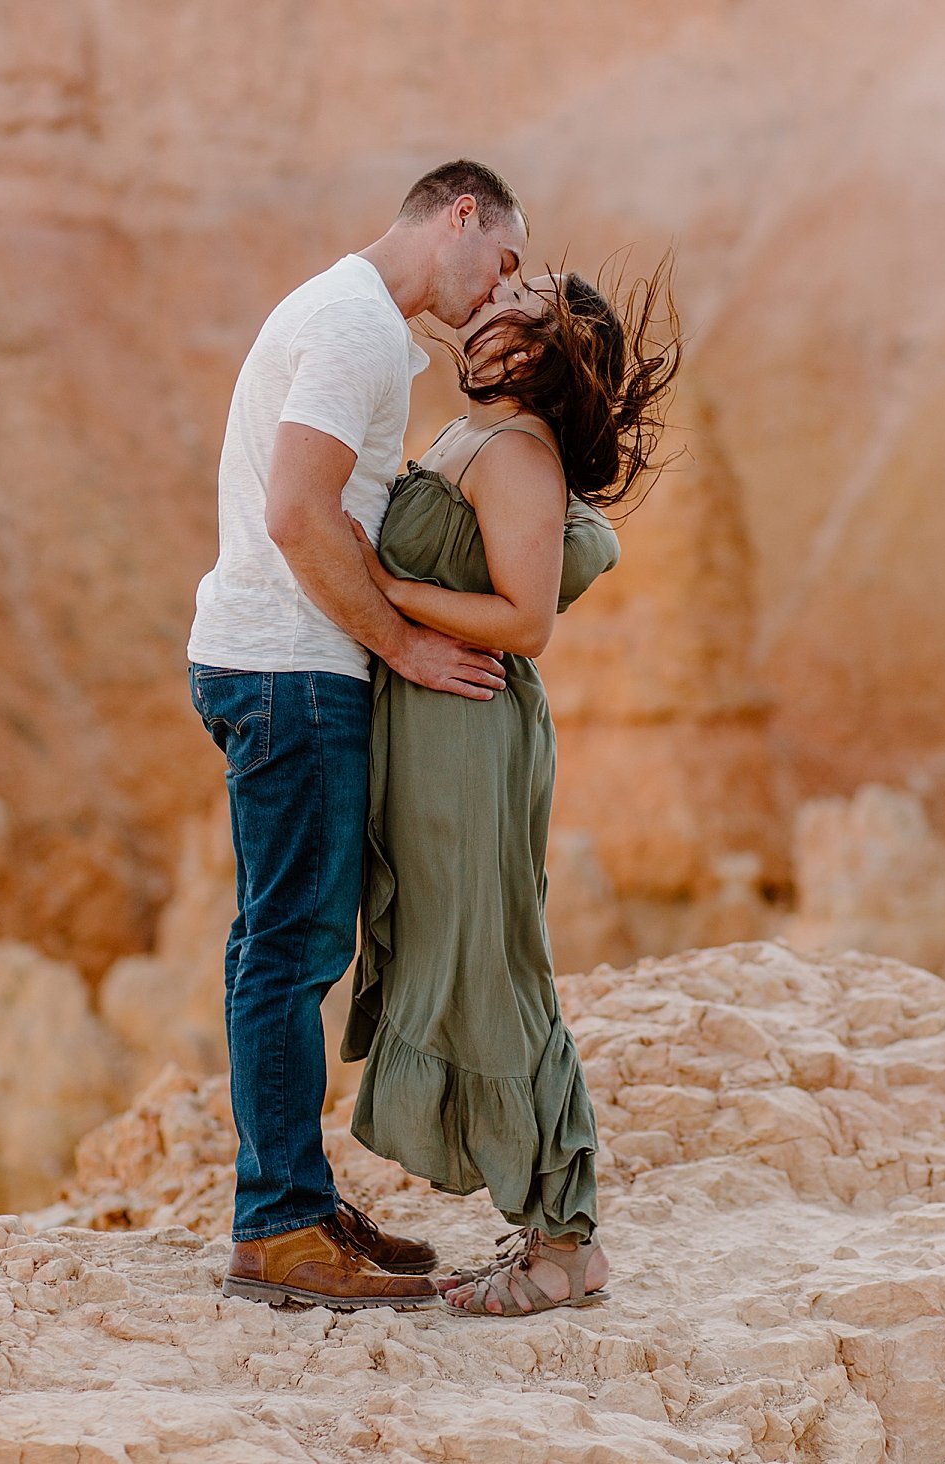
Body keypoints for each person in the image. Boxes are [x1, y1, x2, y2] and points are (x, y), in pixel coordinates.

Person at [187, 160, 528, 1311]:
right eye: (505, 257)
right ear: (462, 215)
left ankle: (291, 1195)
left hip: (273, 658)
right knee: (289, 950)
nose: (505, 285)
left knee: (281, 943)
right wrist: (402, 645)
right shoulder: (359, 328)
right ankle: (278, 1226)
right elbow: (297, 512)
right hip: (292, 669)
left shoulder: (353, 317)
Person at [343, 261, 681, 1316]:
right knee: (464, 951)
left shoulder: (520, 457)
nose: (488, 299)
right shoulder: (480, 438)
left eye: (516, 296)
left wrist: (387, 588)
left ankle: (565, 1245)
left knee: (491, 962)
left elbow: (524, 621)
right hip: (433, 721)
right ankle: (544, 1231)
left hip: (468, 732)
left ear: (536, 348)